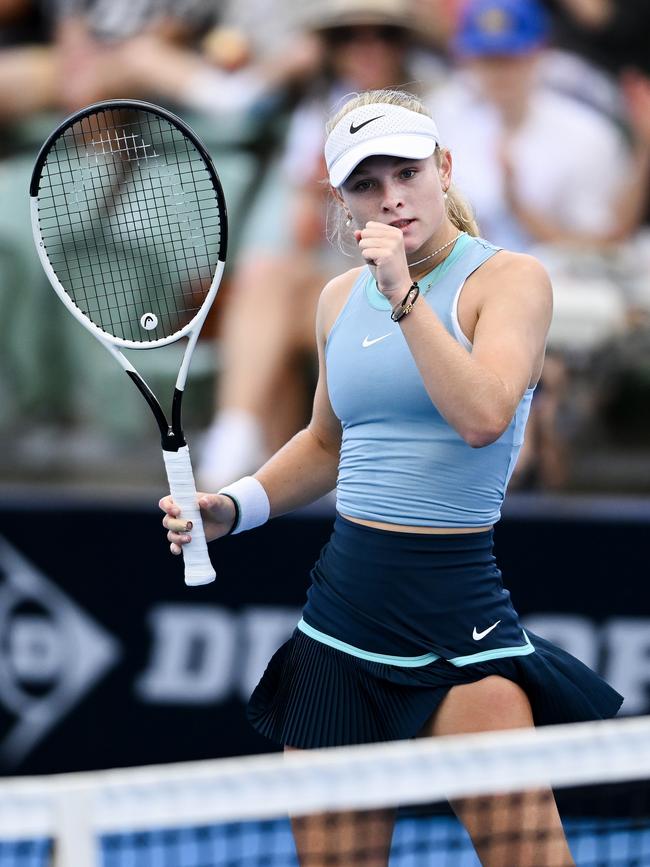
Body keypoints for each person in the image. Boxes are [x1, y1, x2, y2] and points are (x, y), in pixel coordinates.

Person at [160, 88, 623, 866]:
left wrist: (405, 294)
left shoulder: (509, 282)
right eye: (366, 183)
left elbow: (482, 417)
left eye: (406, 172)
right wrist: (233, 507)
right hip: (340, 627)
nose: (392, 196)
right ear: (341, 202)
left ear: (444, 168)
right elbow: (324, 444)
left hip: (460, 630)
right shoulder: (337, 298)